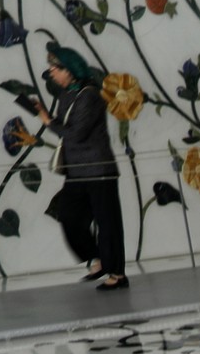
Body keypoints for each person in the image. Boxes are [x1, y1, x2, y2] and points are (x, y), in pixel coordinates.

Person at [30, 43, 127, 292]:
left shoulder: (90, 95)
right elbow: (66, 126)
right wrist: (44, 113)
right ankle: (96, 259)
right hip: (77, 171)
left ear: (70, 70)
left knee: (107, 223)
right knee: (68, 215)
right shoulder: (66, 95)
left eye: (56, 68)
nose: (52, 73)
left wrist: (47, 121)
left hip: (98, 169)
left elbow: (75, 134)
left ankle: (116, 274)